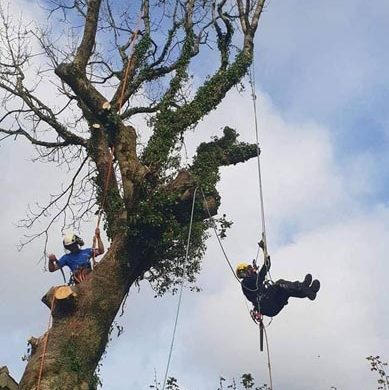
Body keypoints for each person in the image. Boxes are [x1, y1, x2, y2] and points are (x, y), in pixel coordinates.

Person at [236, 259, 320, 317]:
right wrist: (265, 265)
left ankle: (308, 292)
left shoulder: (253, 280)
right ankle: (302, 287)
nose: (251, 271)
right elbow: (259, 278)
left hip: (272, 304)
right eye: (248, 270)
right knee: (279, 283)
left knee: (286, 290)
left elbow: (260, 275)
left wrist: (266, 261)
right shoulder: (245, 283)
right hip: (266, 304)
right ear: (243, 273)